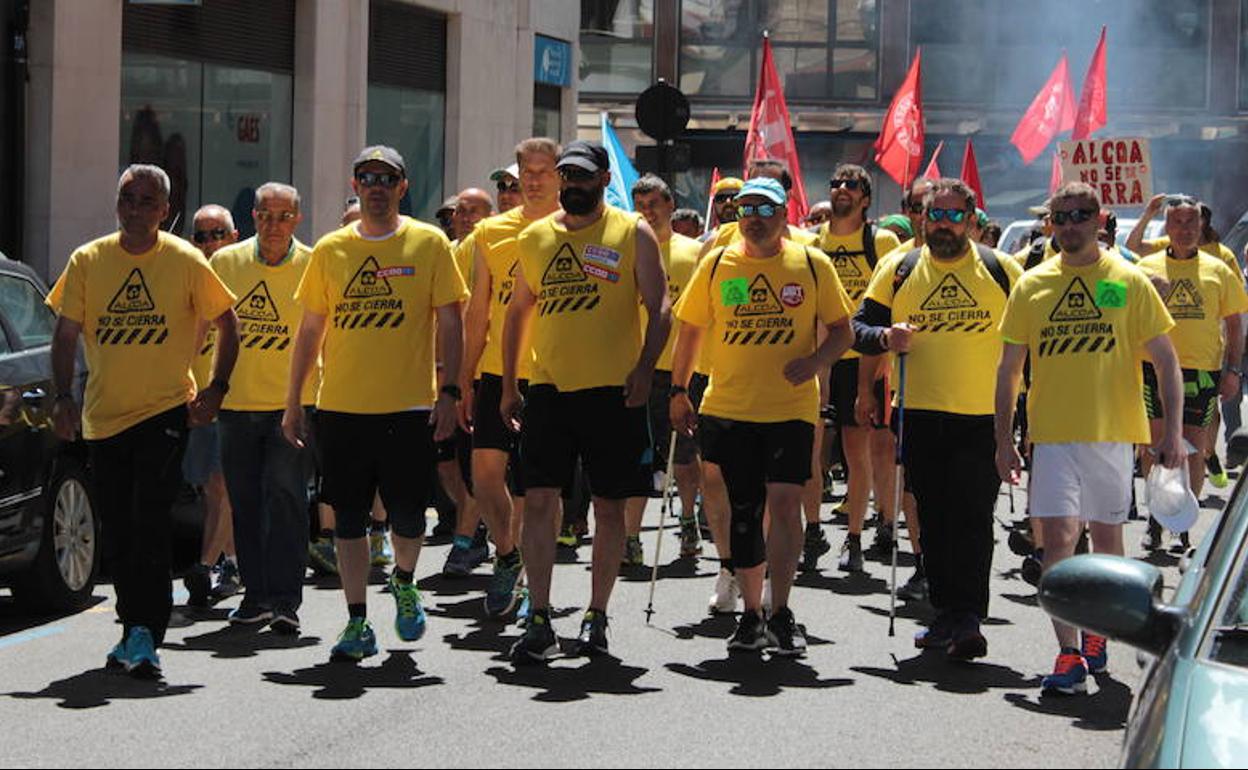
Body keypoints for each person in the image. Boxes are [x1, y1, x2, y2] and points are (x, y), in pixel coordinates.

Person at [48, 164, 239, 677]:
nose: (135, 209)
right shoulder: (88, 259)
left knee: (148, 521)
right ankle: (132, 627)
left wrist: (217, 389)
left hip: (164, 412)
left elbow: (228, 320)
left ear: (165, 211)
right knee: (120, 529)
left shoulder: (183, 259)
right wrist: (64, 397)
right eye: (127, 199)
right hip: (104, 419)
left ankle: (144, 634)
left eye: (147, 201)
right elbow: (66, 334)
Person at [996, 181, 1184, 695]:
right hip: (1052, 436)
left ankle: (1098, 634)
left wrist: (1170, 430)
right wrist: (1002, 439)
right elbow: (1009, 369)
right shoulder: (1032, 285)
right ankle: (1068, 651)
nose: (1070, 224)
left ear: (1100, 220)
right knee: (1056, 541)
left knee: (1105, 543)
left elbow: (1166, 361)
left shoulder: (1126, 280)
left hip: (1112, 434)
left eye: (1080, 215)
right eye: (1061, 217)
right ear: (1050, 225)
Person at [283, 146, 468, 662]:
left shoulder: (429, 244)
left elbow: (451, 321)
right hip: (342, 409)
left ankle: (405, 582)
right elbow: (311, 329)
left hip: (409, 408)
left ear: (403, 187)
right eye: (368, 177)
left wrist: (451, 391)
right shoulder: (331, 249)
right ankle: (357, 620)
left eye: (387, 178)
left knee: (409, 517)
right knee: (348, 518)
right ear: (356, 184)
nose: (377, 186)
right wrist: (294, 400)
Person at [501, 140, 670, 663]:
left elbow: (661, 307)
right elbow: (517, 313)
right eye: (565, 177)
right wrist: (510, 384)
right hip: (549, 389)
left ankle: (596, 614)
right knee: (540, 501)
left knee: (609, 506)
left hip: (613, 392)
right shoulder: (535, 237)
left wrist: (644, 370)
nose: (572, 185)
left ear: (602, 180)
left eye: (582, 177)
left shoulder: (631, 231)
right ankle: (540, 615)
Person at [670, 177, 854, 655]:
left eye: (764, 208)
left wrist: (815, 364)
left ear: (783, 214)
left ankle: (781, 610)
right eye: (745, 207)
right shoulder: (716, 265)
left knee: (786, 504)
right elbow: (689, 331)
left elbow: (842, 331)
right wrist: (677, 390)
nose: (753, 216)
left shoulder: (811, 264)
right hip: (728, 407)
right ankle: (751, 615)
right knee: (744, 512)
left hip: (790, 410)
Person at [854, 178, 1023, 661]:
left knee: (971, 517)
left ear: (971, 221)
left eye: (954, 216)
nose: (944, 225)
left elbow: (1033, 333)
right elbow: (857, 328)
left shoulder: (1001, 268)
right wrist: (888, 336)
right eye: (935, 215)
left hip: (983, 416)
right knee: (933, 517)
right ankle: (946, 612)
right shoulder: (900, 267)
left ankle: (968, 615)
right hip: (920, 413)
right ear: (921, 218)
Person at [458, 137, 563, 617]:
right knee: (484, 477)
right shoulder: (491, 233)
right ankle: (506, 553)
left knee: (536, 489)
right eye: (528, 172)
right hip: (496, 372)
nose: (536, 180)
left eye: (545, 171)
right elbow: (477, 312)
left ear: (560, 175)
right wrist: (462, 379)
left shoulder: (575, 230)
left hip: (552, 376)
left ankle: (529, 581)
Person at [210, 183, 313, 633]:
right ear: (252, 217)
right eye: (266, 216)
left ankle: (286, 600)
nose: (274, 225)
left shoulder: (313, 263)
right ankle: (255, 595)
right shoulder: (224, 262)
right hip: (234, 403)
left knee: (286, 498)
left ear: (298, 219)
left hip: (291, 405)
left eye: (284, 216)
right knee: (246, 502)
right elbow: (203, 325)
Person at [1136, 197, 1247, 549]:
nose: (1185, 230)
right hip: (1153, 368)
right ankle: (1155, 519)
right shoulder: (1144, 266)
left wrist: (1233, 371)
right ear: (1166, 228)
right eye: (1178, 223)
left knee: (1195, 450)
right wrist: (1143, 292)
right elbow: (1110, 300)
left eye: (1191, 223)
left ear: (1201, 227)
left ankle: (1184, 521)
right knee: (1154, 448)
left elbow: (1235, 325)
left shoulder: (1219, 269)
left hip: (1202, 372)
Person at [817, 165, 902, 572]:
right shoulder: (815, 240)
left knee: (882, 447)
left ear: (865, 198)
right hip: (830, 361)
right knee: (852, 451)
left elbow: (893, 299)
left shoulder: (881, 241)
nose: (841, 191)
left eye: (851, 185)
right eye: (836, 185)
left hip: (871, 358)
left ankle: (887, 521)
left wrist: (885, 354)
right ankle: (853, 536)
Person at [623, 174, 705, 566]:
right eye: (639, 205)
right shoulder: (625, 249)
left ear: (671, 205)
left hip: (682, 375)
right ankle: (631, 537)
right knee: (635, 457)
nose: (647, 212)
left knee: (685, 458)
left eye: (654, 203)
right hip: (637, 370)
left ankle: (689, 521)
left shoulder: (695, 252)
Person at [182, 204, 241, 608]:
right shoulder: (187, 277)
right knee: (211, 488)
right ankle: (234, 563)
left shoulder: (239, 275)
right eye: (201, 236)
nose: (209, 243)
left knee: (223, 485)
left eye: (217, 233)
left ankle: (205, 566)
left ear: (233, 237)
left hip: (235, 399)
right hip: (195, 400)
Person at [439, 187, 496, 577]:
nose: (464, 217)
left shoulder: (489, 247)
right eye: (459, 211)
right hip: (448, 373)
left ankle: (468, 538)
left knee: (481, 466)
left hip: (484, 374)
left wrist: (466, 376)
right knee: (448, 465)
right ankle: (480, 522)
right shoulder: (450, 252)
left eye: (474, 211)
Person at [702, 161, 817, 253]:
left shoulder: (810, 247)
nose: (761, 190)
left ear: (787, 196)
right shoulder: (718, 241)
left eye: (771, 185)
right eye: (754, 185)